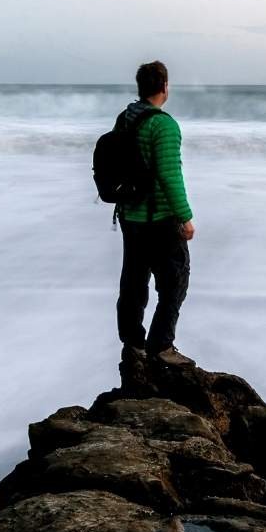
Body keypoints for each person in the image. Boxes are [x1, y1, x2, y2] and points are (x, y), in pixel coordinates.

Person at [116, 60, 195, 366]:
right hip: (159, 219)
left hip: (129, 216)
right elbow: (169, 175)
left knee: (133, 283)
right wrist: (185, 217)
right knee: (175, 281)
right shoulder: (163, 125)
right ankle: (161, 347)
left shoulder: (125, 118)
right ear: (164, 87)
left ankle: (133, 345)